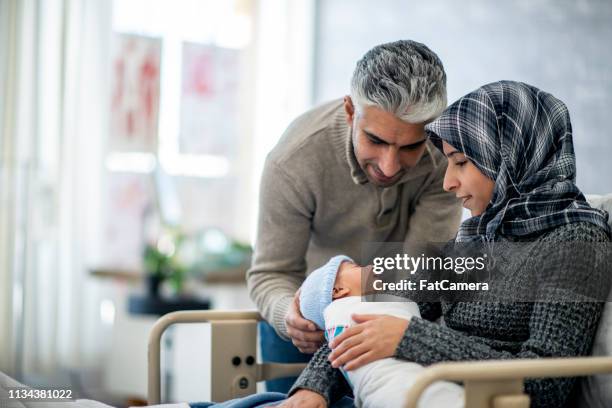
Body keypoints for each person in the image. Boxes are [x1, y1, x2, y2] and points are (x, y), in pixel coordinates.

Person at [284, 81, 612, 408]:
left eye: (461, 162)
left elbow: (545, 386)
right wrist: (312, 388)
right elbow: (377, 306)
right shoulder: (476, 237)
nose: (448, 182)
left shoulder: (575, 241)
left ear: (508, 155)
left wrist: (409, 338)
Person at [247, 40, 462, 392]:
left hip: (393, 317)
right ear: (350, 111)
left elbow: (420, 272)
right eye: (375, 140)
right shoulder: (294, 162)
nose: (390, 166)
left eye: (410, 146)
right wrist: (292, 315)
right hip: (302, 331)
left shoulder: (444, 160)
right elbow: (271, 273)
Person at [298, 255, 464, 408]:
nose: (370, 266)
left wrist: (410, 335)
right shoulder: (352, 312)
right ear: (337, 291)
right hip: (401, 390)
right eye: (357, 267)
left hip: (404, 391)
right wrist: (314, 385)